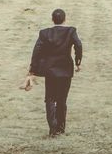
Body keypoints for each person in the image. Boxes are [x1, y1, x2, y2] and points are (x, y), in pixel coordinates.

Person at [27, 8, 82, 137]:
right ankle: (61, 128)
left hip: (50, 71)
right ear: (65, 19)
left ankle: (52, 128)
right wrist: (78, 61)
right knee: (62, 99)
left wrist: (32, 69)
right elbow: (78, 45)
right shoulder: (71, 31)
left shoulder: (45, 33)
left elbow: (37, 51)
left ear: (52, 19)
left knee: (50, 99)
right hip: (65, 70)